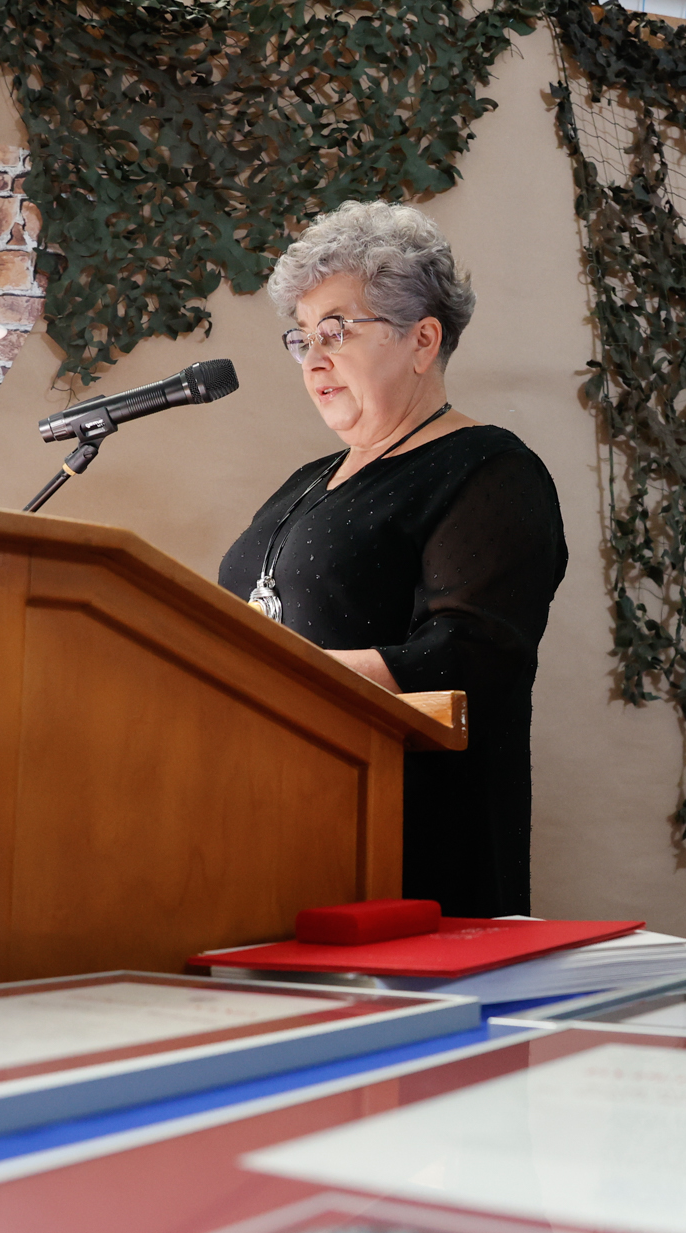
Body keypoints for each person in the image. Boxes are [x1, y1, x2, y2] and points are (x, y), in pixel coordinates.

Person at [216, 201, 568, 917]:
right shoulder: (306, 481)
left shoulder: (490, 470)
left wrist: (264, 676)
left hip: (409, 841)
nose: (314, 359)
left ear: (422, 340)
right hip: (267, 817)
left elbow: (467, 658)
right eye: (302, 337)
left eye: (336, 330)